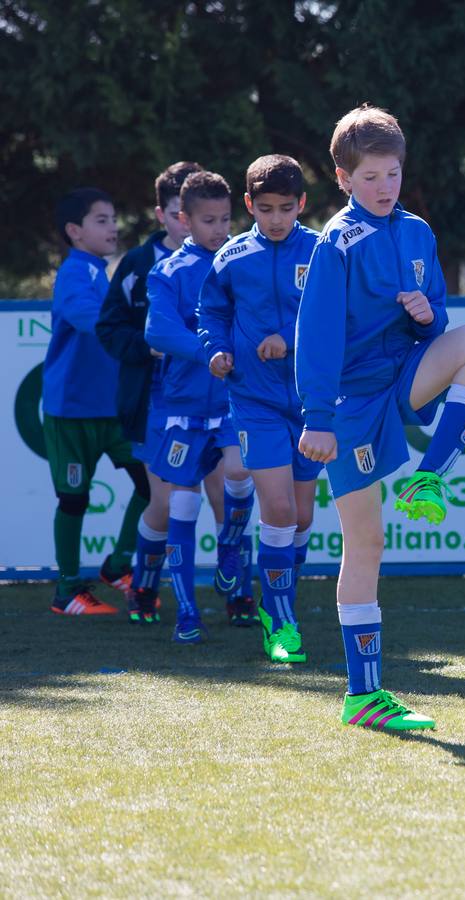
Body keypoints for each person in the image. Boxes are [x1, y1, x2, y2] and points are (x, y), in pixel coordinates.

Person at [296, 104, 465, 731]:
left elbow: (438, 317)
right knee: (366, 541)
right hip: (351, 405)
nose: (384, 187)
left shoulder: (418, 232)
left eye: (391, 174)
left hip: (405, 378)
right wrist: (316, 418)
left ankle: (432, 476)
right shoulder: (336, 241)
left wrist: (427, 315)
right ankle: (364, 697)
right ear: (343, 178)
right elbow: (316, 337)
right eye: (369, 178)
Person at [198, 154, 322, 662]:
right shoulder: (230, 257)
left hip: (312, 403)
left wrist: (290, 343)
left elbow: (338, 321)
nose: (275, 219)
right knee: (279, 509)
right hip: (254, 401)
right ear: (248, 204)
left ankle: (278, 597)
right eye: (265, 208)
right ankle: (279, 619)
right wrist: (216, 350)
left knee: (303, 515)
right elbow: (212, 311)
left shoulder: (321, 253)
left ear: (302, 205)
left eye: (286, 208)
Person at [97, 161, 232, 625]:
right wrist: (150, 350)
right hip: (162, 402)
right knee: (169, 501)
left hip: (222, 397)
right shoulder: (145, 265)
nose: (190, 223)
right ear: (169, 216)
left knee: (229, 494)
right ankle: (146, 587)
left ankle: (237, 594)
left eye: (221, 218)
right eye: (181, 214)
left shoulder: (234, 258)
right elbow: (117, 328)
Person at [145, 170, 257, 642]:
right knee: (181, 506)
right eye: (208, 220)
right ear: (184, 220)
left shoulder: (244, 261)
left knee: (239, 471)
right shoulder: (168, 271)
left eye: (226, 219)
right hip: (182, 408)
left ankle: (230, 547)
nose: (219, 229)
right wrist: (205, 351)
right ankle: (187, 612)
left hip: (236, 400)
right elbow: (158, 331)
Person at [42, 188, 150, 615]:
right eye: (101, 220)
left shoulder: (101, 271)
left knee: (150, 484)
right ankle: (66, 591)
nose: (114, 226)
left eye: (113, 218)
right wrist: (133, 334)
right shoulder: (75, 273)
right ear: (74, 231)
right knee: (74, 499)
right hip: (73, 412)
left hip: (113, 410)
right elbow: (86, 317)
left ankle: (117, 565)